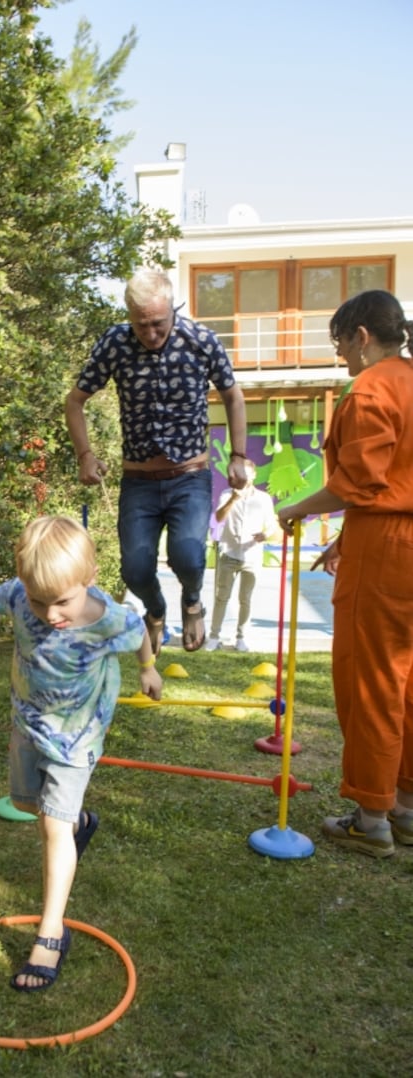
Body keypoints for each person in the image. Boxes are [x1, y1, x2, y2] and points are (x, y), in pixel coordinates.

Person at [0, 515, 162, 991]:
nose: (50, 615)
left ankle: (51, 934)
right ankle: (79, 825)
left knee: (52, 824)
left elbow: (140, 635)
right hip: (28, 724)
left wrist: (149, 671)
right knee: (33, 808)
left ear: (89, 581)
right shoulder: (17, 593)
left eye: (63, 602)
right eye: (38, 601)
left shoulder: (107, 618)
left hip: (79, 735)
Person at [279, 290, 413, 859]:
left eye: (339, 342)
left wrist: (296, 510)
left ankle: (371, 816)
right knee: (407, 678)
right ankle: (405, 807)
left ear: (362, 336)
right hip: (392, 536)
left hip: (387, 553)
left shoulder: (370, 389)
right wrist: (343, 536)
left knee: (372, 678)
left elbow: (358, 482)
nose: (339, 356)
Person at [65, 266, 248, 657]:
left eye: (158, 324)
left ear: (172, 309)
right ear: (129, 316)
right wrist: (86, 455)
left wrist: (237, 455)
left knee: (188, 554)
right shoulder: (115, 342)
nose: (150, 334)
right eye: (141, 325)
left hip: (190, 476)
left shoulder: (200, 339)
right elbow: (75, 401)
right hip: (139, 480)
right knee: (134, 569)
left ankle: (193, 602)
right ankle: (156, 610)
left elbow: (233, 395)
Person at [206, 459, 278, 652]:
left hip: (251, 555)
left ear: (254, 475)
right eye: (240, 473)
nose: (243, 477)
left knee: (245, 599)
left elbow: (271, 524)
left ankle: (242, 637)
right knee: (221, 596)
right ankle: (214, 636)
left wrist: (266, 534)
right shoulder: (227, 494)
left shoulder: (263, 498)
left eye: (247, 473)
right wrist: (233, 499)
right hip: (228, 552)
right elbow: (218, 518)